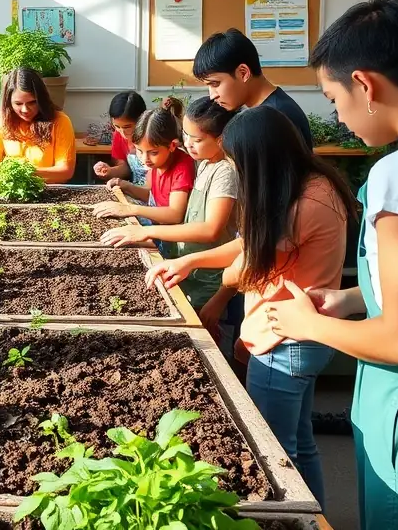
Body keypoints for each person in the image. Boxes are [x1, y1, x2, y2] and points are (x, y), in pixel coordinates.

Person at [268, 0, 398, 530]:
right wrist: (352, 298)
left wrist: (307, 324)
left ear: (365, 84)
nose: (338, 117)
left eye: (333, 98)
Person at [146, 106, 353, 512]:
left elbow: (243, 268)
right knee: (301, 443)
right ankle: (317, 518)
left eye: (238, 161)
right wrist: (191, 260)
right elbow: (248, 242)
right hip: (305, 334)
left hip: (283, 340)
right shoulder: (315, 184)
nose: (237, 169)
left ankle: (293, 517)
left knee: (277, 455)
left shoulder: (300, 206)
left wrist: (220, 277)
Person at [101, 97, 239, 331]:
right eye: (186, 136)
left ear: (221, 139)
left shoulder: (225, 171)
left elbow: (210, 229)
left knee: (213, 335)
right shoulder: (206, 163)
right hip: (191, 271)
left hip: (211, 280)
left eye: (197, 139)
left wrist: (145, 231)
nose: (189, 144)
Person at [91, 99, 195, 251]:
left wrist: (130, 209)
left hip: (172, 241)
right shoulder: (157, 163)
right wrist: (124, 185)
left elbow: (175, 214)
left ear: (172, 145)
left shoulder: (182, 166)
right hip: (156, 230)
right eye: (139, 151)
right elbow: (150, 195)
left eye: (153, 152)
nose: (145, 159)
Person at [193, 28, 314, 149]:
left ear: (243, 73)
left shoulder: (274, 118)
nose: (212, 96)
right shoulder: (269, 109)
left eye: (215, 84)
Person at [0, 67, 77, 186]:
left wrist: (22, 173)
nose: (25, 109)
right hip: (12, 189)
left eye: (32, 102)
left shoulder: (60, 121)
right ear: (8, 102)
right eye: (18, 104)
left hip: (49, 189)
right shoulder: (2, 120)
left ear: (41, 100)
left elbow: (65, 171)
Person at [93, 90, 148, 184]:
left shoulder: (151, 135)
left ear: (142, 119)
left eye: (127, 127)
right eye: (117, 126)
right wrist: (109, 171)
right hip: (136, 187)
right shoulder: (118, 134)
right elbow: (125, 168)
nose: (122, 132)